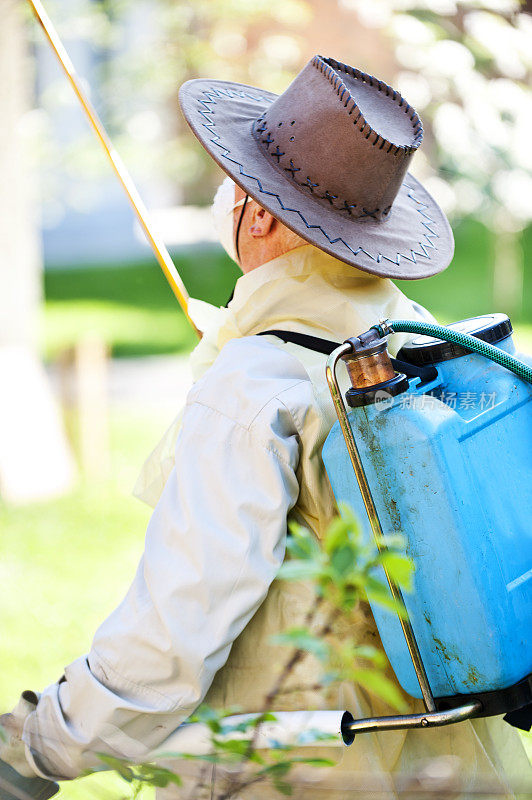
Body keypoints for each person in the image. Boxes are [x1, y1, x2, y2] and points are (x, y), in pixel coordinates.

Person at [1, 55, 530, 798]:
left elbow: (167, 645)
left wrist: (38, 746)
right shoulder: (417, 336)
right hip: (440, 761)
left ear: (258, 213)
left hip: (308, 766)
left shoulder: (251, 391)